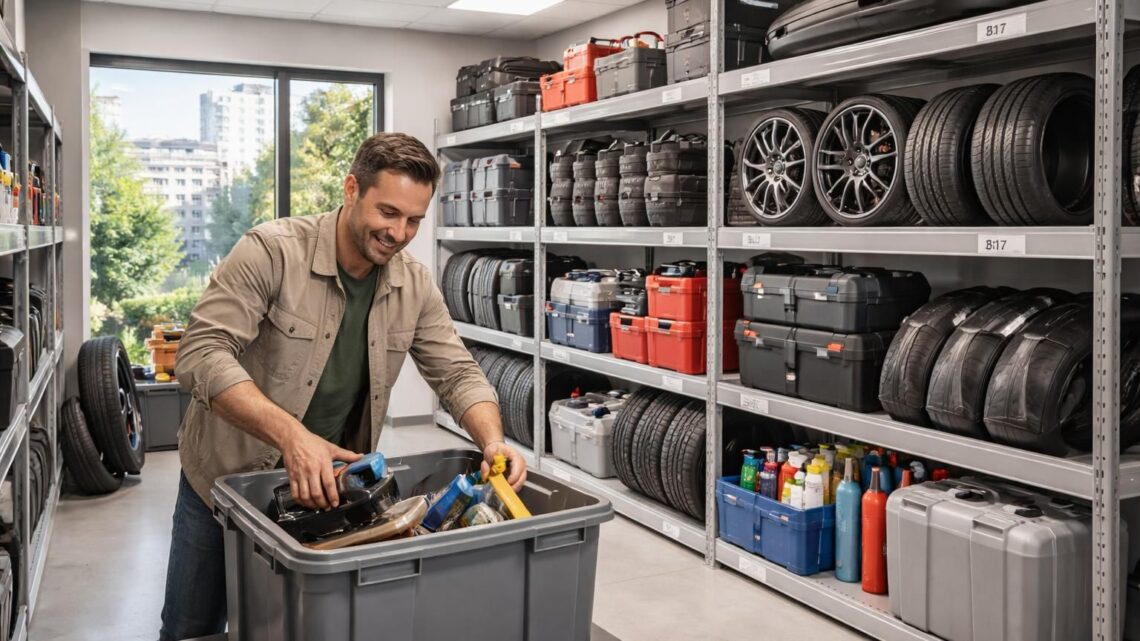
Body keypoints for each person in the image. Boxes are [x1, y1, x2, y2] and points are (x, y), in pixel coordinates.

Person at [158, 132, 526, 641]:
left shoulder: (413, 284)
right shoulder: (270, 252)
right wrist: (293, 437)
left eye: (414, 220)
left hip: (330, 490)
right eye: (389, 212)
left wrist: (491, 440)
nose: (399, 232)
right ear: (352, 188)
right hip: (225, 482)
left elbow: (457, 371)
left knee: (304, 626)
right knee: (192, 629)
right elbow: (200, 354)